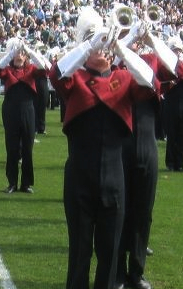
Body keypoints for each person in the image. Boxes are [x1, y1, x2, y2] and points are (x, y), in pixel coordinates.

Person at [48, 7, 157, 289]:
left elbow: (151, 81)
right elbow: (56, 73)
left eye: (104, 43)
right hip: (79, 179)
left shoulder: (124, 79)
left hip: (114, 178)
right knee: (79, 255)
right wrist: (88, 45)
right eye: (98, 43)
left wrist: (121, 46)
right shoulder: (75, 79)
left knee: (109, 257)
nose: (102, 48)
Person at [112, 20, 183, 289]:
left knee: (144, 211)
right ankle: (117, 271)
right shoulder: (116, 58)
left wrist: (152, 39)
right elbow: (111, 57)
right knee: (120, 209)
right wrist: (128, 38)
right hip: (121, 141)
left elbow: (177, 67)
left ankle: (136, 272)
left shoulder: (152, 60)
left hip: (147, 142)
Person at [0, 37, 49, 194]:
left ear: (26, 57)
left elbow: (44, 68)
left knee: (28, 148)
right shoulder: (7, 70)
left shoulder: (31, 70)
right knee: (12, 147)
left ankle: (26, 184)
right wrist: (10, 53)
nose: (19, 56)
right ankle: (12, 183)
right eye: (17, 54)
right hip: (10, 110)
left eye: (22, 54)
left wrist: (29, 50)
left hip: (28, 110)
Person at [163, 38, 183, 171]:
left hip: (181, 102)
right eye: (175, 50)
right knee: (171, 133)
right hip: (171, 103)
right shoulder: (165, 65)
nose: (177, 52)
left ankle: (180, 162)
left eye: (179, 50)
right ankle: (171, 162)